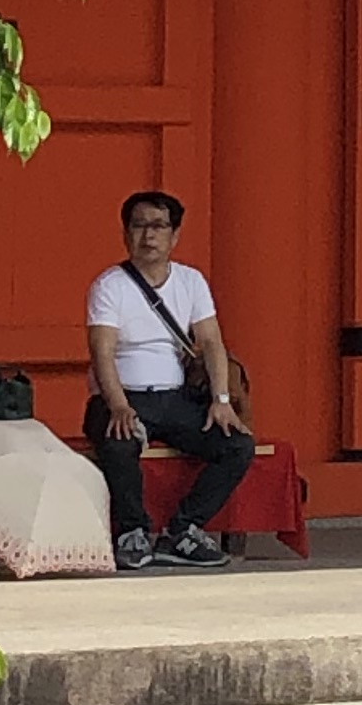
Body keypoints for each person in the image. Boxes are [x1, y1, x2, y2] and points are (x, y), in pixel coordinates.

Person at [84, 191, 256, 573]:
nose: (148, 236)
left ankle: (183, 530)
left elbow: (211, 341)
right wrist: (119, 405)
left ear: (175, 235)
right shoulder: (109, 285)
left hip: (175, 398)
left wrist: (221, 400)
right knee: (119, 440)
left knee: (237, 445)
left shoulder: (191, 282)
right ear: (125, 233)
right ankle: (131, 533)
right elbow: (102, 351)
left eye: (159, 226)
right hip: (122, 396)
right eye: (139, 226)